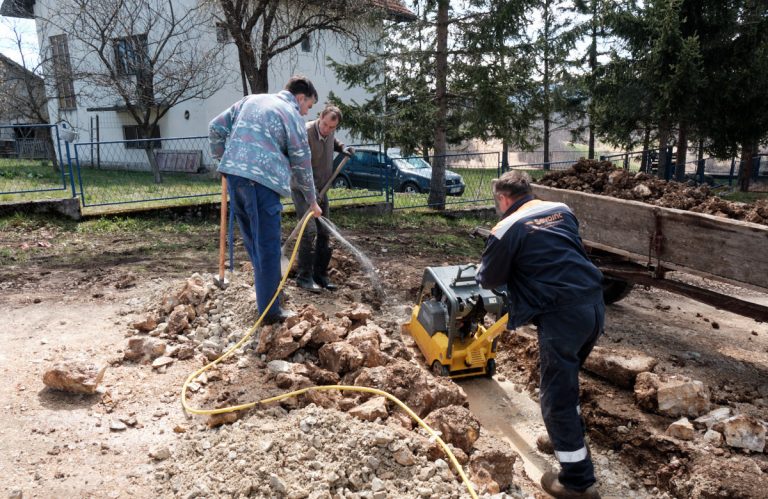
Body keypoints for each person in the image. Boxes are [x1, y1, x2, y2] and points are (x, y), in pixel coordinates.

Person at [475, 171, 604, 499]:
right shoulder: (561, 209)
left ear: (503, 199)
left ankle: (577, 481)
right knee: (566, 382)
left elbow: (489, 278)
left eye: (497, 202)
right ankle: (564, 438)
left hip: (561, 316)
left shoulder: (506, 226)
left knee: (555, 399)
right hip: (593, 306)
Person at [209, 75, 322, 325]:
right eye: (309, 107)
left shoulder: (251, 100)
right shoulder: (291, 115)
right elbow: (302, 163)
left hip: (236, 179)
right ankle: (270, 313)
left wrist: (223, 161)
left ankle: (270, 294)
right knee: (269, 248)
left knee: (255, 246)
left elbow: (215, 127)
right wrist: (312, 201)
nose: (306, 113)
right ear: (300, 98)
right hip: (261, 184)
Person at [290, 105, 354, 293]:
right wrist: (311, 194)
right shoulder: (306, 132)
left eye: (331, 128)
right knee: (309, 231)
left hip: (322, 189)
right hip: (302, 189)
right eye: (324, 124)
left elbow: (333, 142)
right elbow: (298, 164)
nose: (326, 129)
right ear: (320, 117)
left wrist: (342, 147)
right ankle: (304, 277)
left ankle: (320, 274)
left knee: (324, 231)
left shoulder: (330, 133)